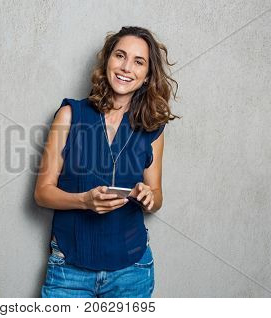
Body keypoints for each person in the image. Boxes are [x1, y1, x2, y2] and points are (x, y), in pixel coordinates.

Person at [34, 26, 180, 298]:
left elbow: (157, 196)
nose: (126, 67)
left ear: (147, 75)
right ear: (107, 61)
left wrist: (149, 196)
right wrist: (84, 201)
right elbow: (42, 193)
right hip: (69, 270)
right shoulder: (70, 114)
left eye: (139, 62)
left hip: (132, 271)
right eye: (120, 56)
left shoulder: (152, 128)